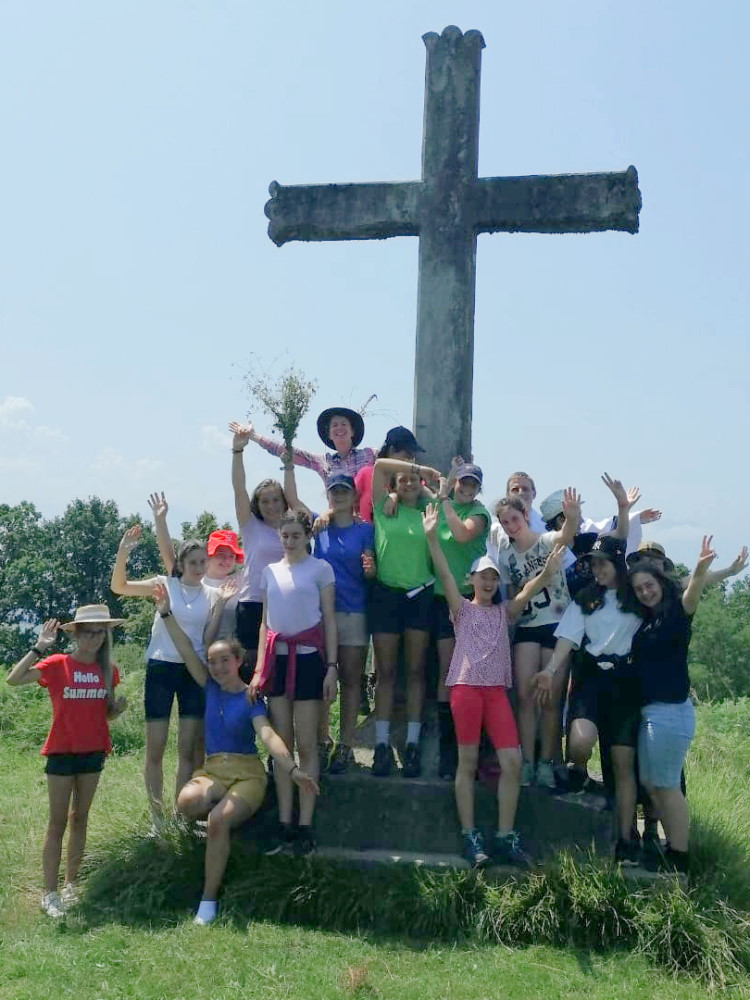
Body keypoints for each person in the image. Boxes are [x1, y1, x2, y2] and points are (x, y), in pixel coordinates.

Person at [151, 583, 318, 924]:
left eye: (224, 660)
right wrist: (166, 612)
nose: (217, 667)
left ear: (239, 661)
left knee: (217, 821)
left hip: (247, 774)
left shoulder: (251, 698)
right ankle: (233, 824)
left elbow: (268, 734)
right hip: (213, 771)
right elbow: (185, 647)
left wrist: (291, 768)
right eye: (212, 662)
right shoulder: (208, 686)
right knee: (185, 802)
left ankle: (208, 901)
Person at [424, 503, 564, 866]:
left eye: (492, 577)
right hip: (466, 689)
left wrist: (548, 570)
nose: (488, 581)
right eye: (482, 576)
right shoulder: (462, 608)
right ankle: (470, 836)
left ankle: (504, 835)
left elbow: (532, 588)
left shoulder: (504, 612)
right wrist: (432, 538)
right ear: (471, 580)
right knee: (467, 763)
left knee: (513, 763)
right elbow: (442, 569)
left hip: (496, 693)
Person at [7, 605, 127, 918]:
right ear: (75, 633)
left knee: (80, 818)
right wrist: (39, 646)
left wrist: (117, 709)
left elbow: (104, 712)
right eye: (88, 632)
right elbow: (13, 679)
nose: (95, 638)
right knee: (57, 822)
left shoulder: (108, 671)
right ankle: (49, 892)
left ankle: (72, 885)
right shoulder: (58, 664)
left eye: (100, 632)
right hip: (61, 751)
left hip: (93, 751)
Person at [532, 533, 643, 865]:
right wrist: (550, 671)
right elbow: (567, 638)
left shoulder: (636, 597)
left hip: (625, 682)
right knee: (580, 742)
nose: (597, 570)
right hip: (591, 677)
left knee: (623, 767)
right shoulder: (584, 598)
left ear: (618, 564)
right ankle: (578, 771)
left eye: (603, 563)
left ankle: (625, 839)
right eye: (593, 564)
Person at [627, 536, 727, 874]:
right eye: (639, 588)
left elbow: (692, 591)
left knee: (667, 787)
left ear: (660, 583)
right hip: (651, 713)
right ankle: (671, 847)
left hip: (670, 713)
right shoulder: (646, 619)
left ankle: (680, 857)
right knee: (654, 786)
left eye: (649, 585)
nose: (645, 592)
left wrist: (701, 568)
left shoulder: (675, 614)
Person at [248, 509, 338, 855]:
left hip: (309, 658)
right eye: (284, 536)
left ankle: (306, 824)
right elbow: (264, 624)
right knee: (281, 745)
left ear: (307, 536)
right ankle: (285, 821)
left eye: (295, 535)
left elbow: (328, 619)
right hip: (277, 659)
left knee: (307, 744)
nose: (289, 541)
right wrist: (258, 669)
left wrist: (331, 666)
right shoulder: (270, 571)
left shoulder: (320, 569)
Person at [111, 527, 213, 828]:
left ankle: (183, 817)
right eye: (192, 562)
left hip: (194, 671)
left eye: (202, 561)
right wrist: (123, 550)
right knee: (155, 748)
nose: (198, 568)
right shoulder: (163, 584)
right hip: (161, 668)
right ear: (180, 564)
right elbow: (119, 586)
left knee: (187, 750)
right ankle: (158, 820)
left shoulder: (214, 593)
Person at [493, 486, 583, 788]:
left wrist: (571, 516)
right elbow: (511, 606)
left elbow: (566, 534)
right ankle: (527, 761)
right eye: (504, 522)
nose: (510, 526)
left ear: (525, 516)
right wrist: (539, 579)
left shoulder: (546, 542)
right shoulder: (506, 557)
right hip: (528, 627)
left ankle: (546, 761)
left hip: (558, 625)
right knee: (525, 696)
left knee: (551, 700)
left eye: (514, 519)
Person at [291, 471, 375, 773]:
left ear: (354, 496)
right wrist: (288, 460)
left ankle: (347, 744)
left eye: (344, 490)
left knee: (351, 680)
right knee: (321, 681)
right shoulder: (317, 525)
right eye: (333, 491)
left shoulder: (365, 531)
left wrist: (370, 569)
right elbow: (291, 500)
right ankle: (322, 739)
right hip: (320, 614)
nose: (338, 495)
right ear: (327, 496)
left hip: (354, 611)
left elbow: (370, 572)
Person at [369, 455, 441, 777]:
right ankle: (382, 746)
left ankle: (412, 745)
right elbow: (378, 467)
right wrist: (418, 470)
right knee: (385, 673)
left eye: (413, 481)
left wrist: (421, 486)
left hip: (420, 595)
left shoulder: (429, 512)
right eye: (402, 481)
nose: (409, 483)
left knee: (415, 672)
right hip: (386, 595)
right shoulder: (384, 507)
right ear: (393, 486)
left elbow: (442, 494)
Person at [431, 463, 491, 780]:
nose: (468, 488)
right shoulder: (438, 501)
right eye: (464, 482)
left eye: (474, 484)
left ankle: (473, 751)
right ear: (455, 481)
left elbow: (461, 533)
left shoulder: (479, 512)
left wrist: (443, 500)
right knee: (446, 672)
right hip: (440, 597)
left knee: (470, 675)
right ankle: (446, 752)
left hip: (471, 598)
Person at [147, 491, 245, 645]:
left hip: (227, 656)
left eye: (231, 555)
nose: (226, 560)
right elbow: (169, 556)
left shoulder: (241, 579)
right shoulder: (194, 577)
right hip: (193, 652)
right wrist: (160, 520)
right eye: (220, 554)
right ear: (209, 556)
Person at [228, 422, 288, 670]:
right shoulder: (250, 526)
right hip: (252, 602)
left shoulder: (293, 530)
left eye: (276, 499)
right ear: (257, 504)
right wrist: (238, 452)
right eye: (265, 501)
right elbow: (239, 488)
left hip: (283, 601)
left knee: (278, 667)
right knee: (249, 668)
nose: (271, 505)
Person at [245, 406, 376, 486]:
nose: (339, 428)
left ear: (352, 431)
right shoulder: (324, 461)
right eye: (334, 425)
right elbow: (289, 451)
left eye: (344, 424)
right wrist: (254, 436)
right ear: (329, 434)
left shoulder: (370, 454)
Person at [354, 425, 425, 523]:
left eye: (412, 457)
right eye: (406, 456)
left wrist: (395, 495)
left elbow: (423, 492)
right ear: (392, 450)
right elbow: (346, 498)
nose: (409, 461)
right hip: (365, 535)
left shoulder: (410, 481)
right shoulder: (366, 474)